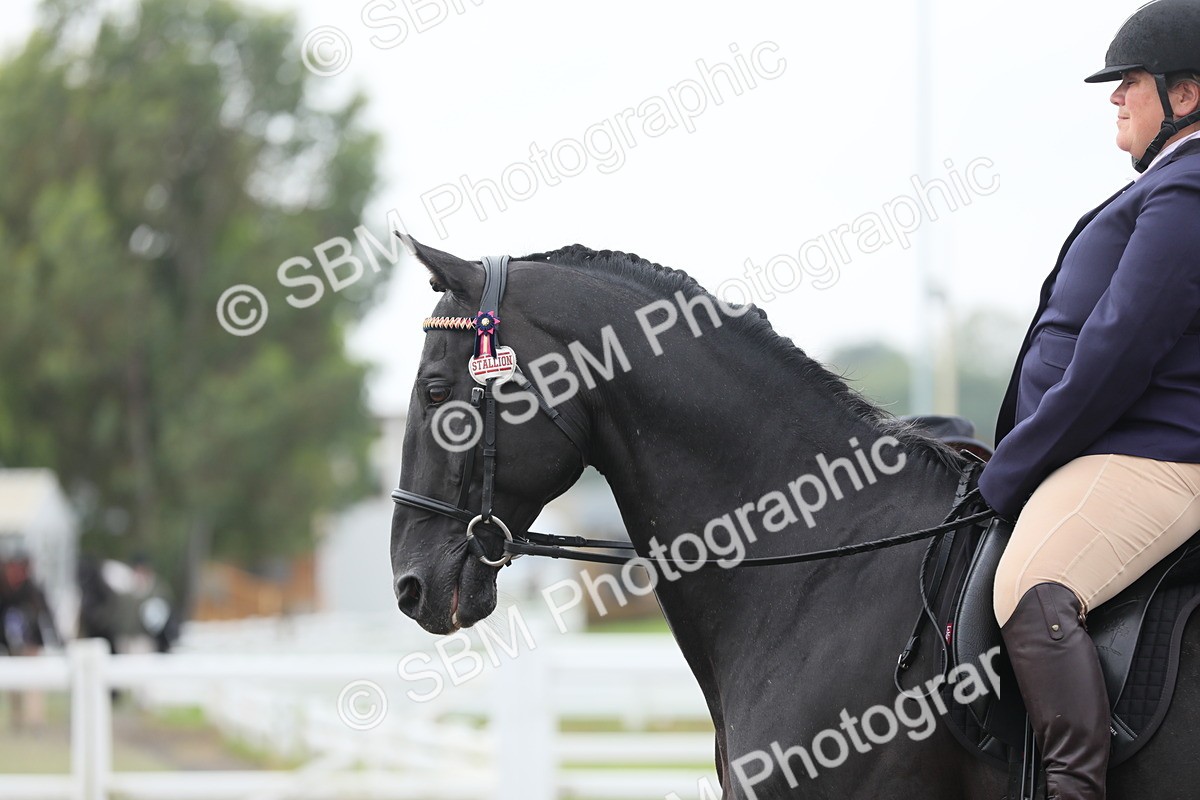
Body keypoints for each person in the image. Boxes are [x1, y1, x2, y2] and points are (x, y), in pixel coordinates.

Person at [977, 2, 1200, 797]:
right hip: (1125, 449)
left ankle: (1074, 788)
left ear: (1186, 94)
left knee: (1031, 582)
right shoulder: (1174, 182)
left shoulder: (1191, 185)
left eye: (1131, 82)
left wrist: (1013, 467)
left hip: (1157, 454)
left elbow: (1117, 349)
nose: (1115, 97)